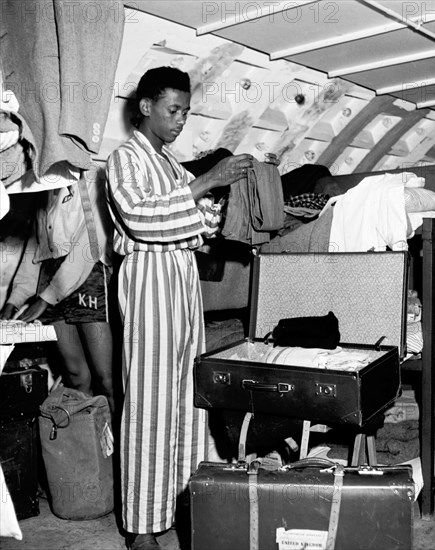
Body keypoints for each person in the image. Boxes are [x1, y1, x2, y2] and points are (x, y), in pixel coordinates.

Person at [105, 66, 253, 550]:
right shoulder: (123, 159)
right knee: (149, 403)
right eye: (173, 110)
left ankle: (178, 506)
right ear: (145, 106)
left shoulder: (171, 164)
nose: (180, 121)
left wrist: (220, 197)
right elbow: (144, 218)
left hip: (183, 280)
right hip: (149, 278)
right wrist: (205, 181)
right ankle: (140, 527)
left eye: (186, 112)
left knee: (188, 402)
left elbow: (198, 229)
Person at [0, 169, 116, 413]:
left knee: (106, 378)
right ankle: (89, 444)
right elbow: (36, 254)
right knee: (75, 376)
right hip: (51, 284)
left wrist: (45, 298)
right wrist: (14, 300)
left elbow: (88, 248)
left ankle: (118, 446)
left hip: (87, 278)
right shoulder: (42, 189)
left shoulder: (92, 179)